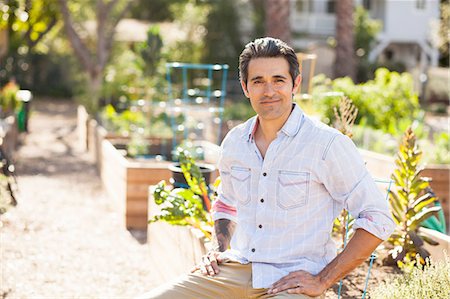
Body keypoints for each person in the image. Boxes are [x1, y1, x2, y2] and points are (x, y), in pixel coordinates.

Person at [137, 37, 395, 299]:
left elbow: (377, 218)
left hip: (291, 281)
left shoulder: (326, 144)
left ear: (295, 83)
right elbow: (227, 203)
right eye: (258, 81)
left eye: (278, 80)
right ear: (245, 87)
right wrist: (217, 248)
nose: (268, 91)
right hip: (235, 270)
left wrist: (323, 279)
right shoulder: (235, 142)